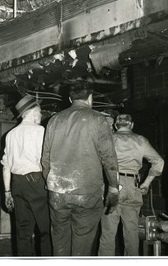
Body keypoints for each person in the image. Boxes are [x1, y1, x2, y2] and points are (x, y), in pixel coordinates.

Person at [41, 80, 120, 256]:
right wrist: (113, 187)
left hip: (58, 192)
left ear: (70, 99)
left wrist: (52, 182)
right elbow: (109, 158)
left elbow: (45, 159)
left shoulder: (54, 120)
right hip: (87, 192)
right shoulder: (98, 119)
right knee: (82, 242)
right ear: (90, 98)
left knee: (59, 240)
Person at [98, 114, 164, 256]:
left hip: (113, 186)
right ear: (132, 125)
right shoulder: (140, 140)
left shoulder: (110, 139)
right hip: (134, 187)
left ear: (116, 125)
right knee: (132, 233)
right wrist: (146, 183)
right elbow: (159, 162)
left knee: (108, 233)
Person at [0, 94, 52, 256]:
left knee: (23, 232)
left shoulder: (10, 135)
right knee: (46, 230)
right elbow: (43, 160)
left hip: (17, 185)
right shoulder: (40, 131)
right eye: (40, 112)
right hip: (36, 183)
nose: (41, 116)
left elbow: (5, 166)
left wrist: (7, 192)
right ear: (33, 113)